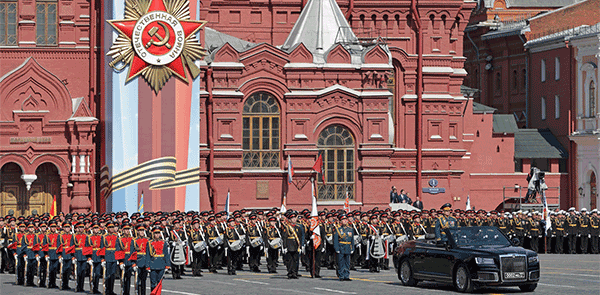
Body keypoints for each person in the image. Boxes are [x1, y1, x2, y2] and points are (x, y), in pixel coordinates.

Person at [148, 227, 170, 293]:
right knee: (153, 283)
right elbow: (148, 255)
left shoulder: (164, 243)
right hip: (153, 264)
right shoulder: (150, 243)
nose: (157, 235)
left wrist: (167, 265)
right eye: (156, 233)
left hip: (161, 264)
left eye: (158, 233)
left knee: (159, 283)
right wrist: (147, 266)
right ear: (153, 234)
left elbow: (166, 254)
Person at [333, 214, 354, 281]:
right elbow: (335, 240)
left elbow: (352, 240)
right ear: (340, 221)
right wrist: (336, 248)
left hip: (348, 247)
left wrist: (352, 248)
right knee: (341, 262)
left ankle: (346, 275)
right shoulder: (338, 229)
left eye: (346, 220)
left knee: (347, 262)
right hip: (341, 247)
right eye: (343, 220)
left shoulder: (350, 229)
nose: (345, 221)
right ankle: (341, 275)